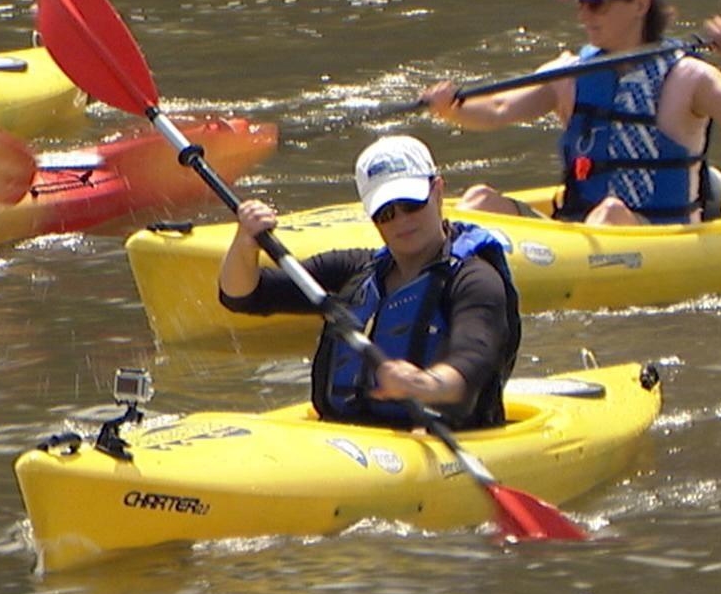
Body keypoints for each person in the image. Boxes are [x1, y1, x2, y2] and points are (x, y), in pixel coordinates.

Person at [421, 0, 721, 225]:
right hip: (578, 229)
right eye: (581, 4)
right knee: (479, 199)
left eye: (597, 4)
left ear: (641, 4)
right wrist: (451, 107)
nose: (583, 14)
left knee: (611, 212)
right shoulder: (570, 73)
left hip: (655, 233)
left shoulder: (688, 78)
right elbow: (498, 110)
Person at [217, 136, 520, 431]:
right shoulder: (356, 271)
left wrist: (424, 384)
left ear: (438, 191)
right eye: (386, 213)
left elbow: (474, 359)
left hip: (439, 441)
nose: (401, 221)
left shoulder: (475, 279)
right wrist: (245, 242)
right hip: (350, 434)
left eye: (412, 205)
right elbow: (243, 295)